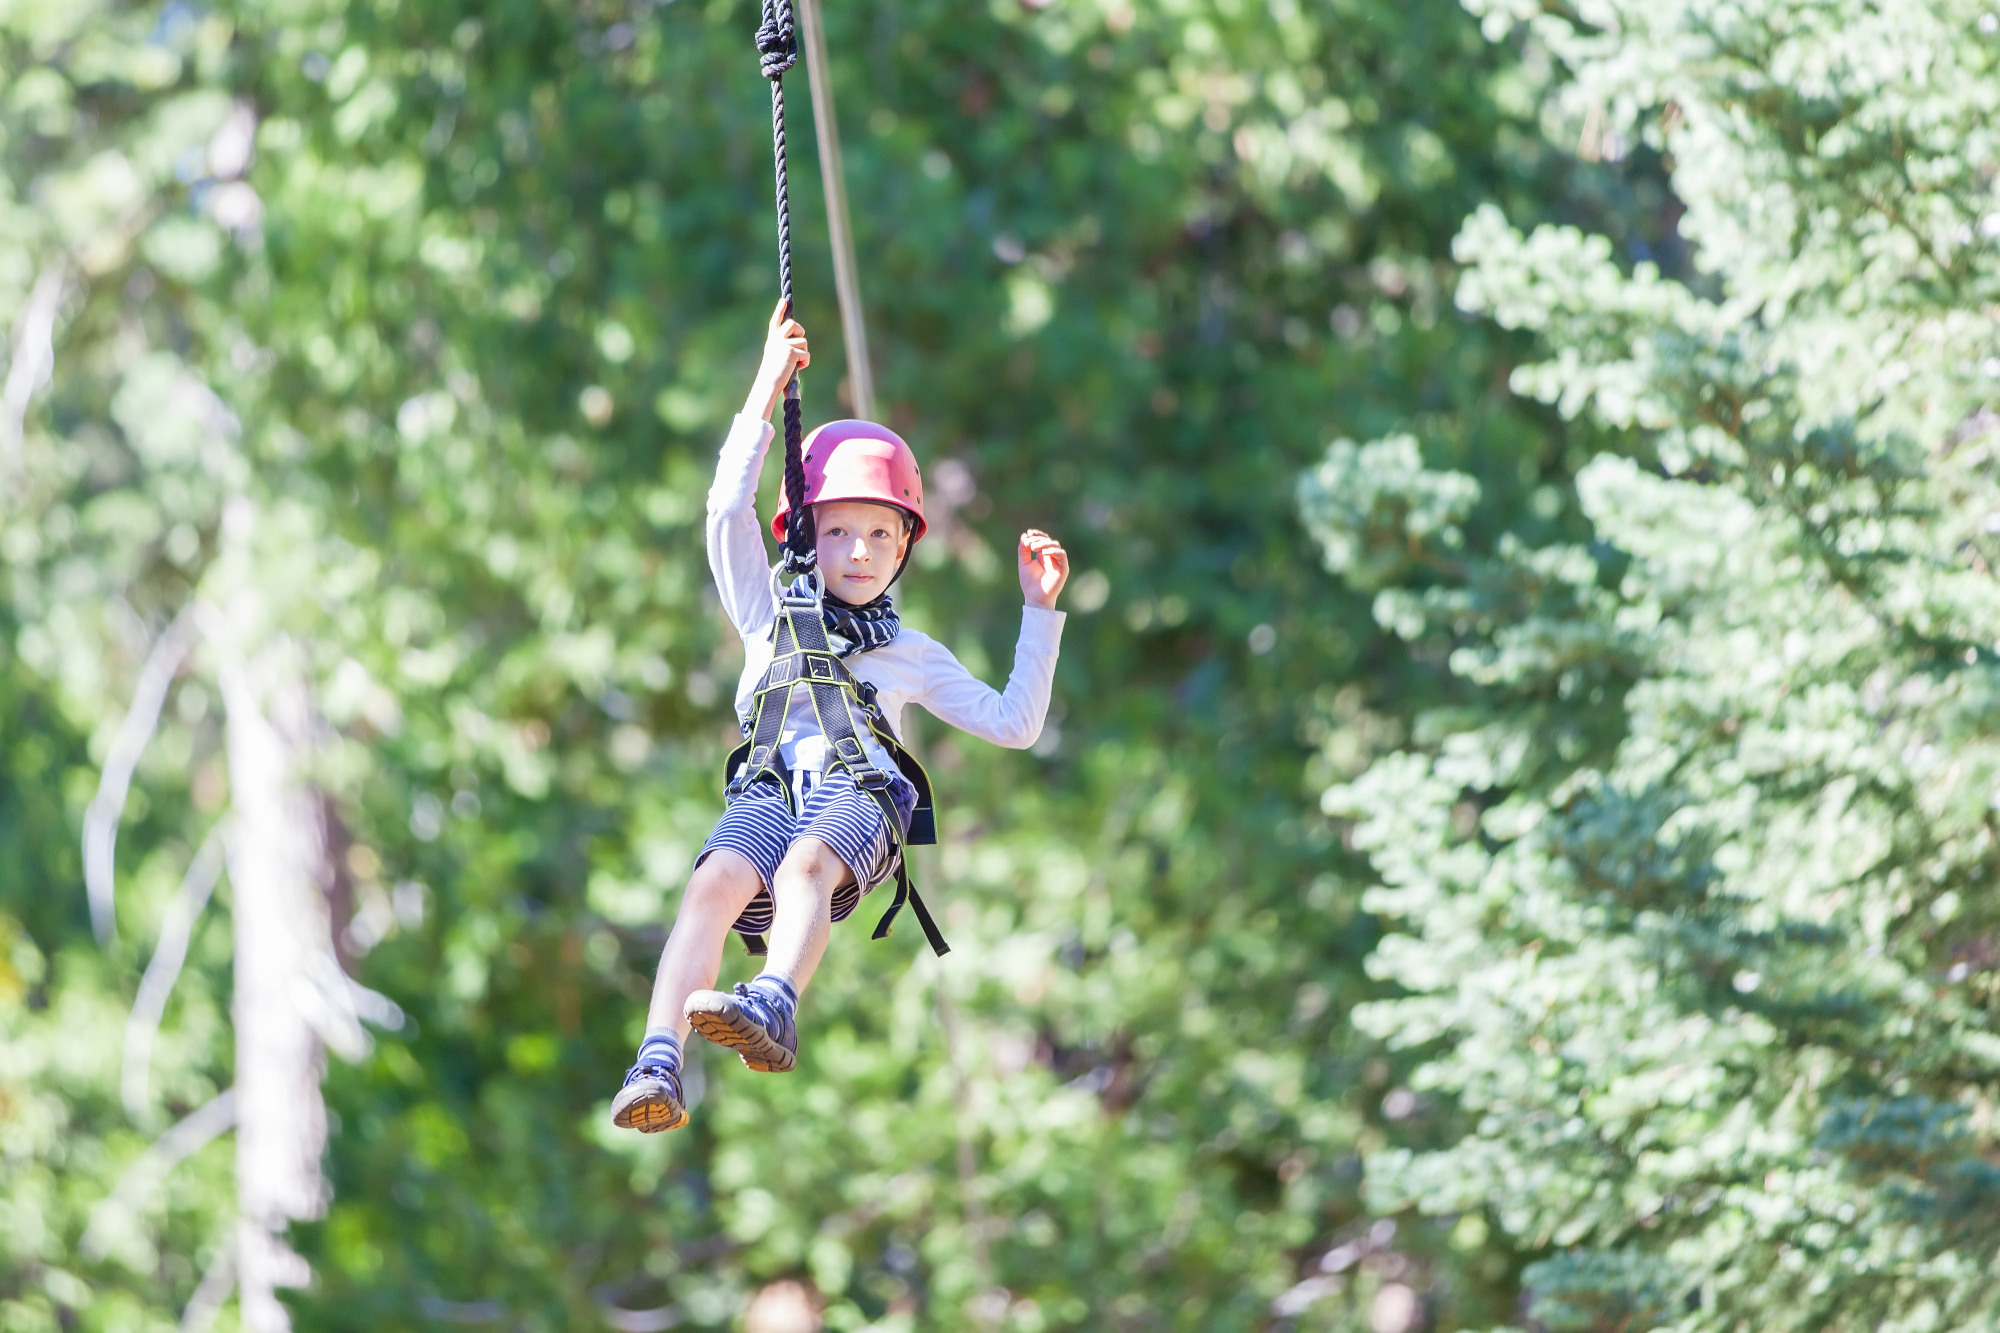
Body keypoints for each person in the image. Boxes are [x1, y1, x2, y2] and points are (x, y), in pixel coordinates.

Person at [611, 300, 1071, 1132]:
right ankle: (658, 1060)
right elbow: (725, 509)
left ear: (903, 548)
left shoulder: (911, 652)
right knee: (712, 883)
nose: (858, 552)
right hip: (771, 791)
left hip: (857, 801)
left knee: (806, 864)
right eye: (839, 532)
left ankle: (776, 1002)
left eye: (878, 535)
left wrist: (1038, 612)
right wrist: (766, 385)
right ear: (804, 536)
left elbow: (1015, 723)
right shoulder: (766, 610)